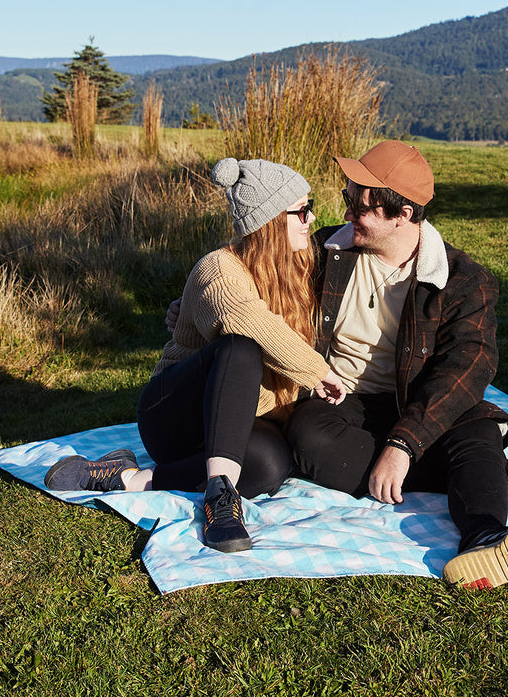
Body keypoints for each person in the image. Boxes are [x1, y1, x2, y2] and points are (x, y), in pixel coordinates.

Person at [285, 140, 508, 589]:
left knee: (474, 430)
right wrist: (196, 301)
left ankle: (486, 538)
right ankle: (485, 475)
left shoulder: (463, 280)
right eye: (345, 200)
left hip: (420, 399)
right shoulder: (326, 252)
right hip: (343, 395)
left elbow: (467, 368)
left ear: (402, 214)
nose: (345, 215)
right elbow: (254, 276)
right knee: (307, 439)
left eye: (358, 207)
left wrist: (403, 444)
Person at [45, 157, 347, 554]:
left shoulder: (299, 266)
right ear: (270, 220)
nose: (311, 219)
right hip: (174, 417)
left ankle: (129, 478)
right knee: (241, 346)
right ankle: (221, 505)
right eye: (302, 210)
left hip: (237, 421)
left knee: (272, 464)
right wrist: (316, 371)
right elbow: (249, 319)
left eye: (312, 208)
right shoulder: (218, 269)